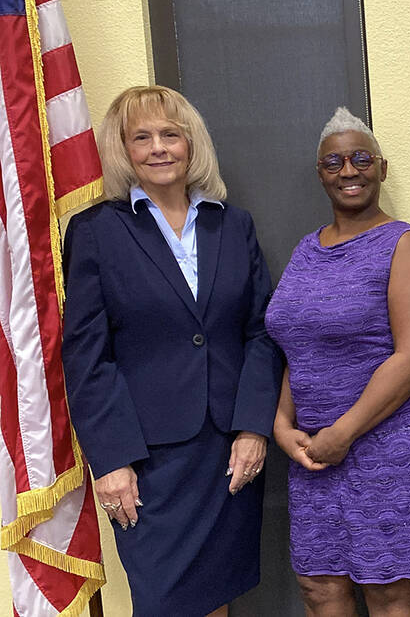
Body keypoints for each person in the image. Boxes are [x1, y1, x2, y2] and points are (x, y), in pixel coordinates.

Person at [61, 86, 280, 615]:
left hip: (229, 451)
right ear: (123, 150)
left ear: (191, 145)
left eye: (170, 134)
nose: (159, 148)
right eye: (142, 137)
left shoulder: (233, 224)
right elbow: (87, 356)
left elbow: (262, 332)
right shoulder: (96, 231)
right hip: (146, 461)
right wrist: (111, 460)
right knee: (164, 602)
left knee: (217, 596)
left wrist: (253, 427)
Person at [266, 108, 410, 615]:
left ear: (382, 167)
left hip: (386, 446)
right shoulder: (305, 251)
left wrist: (344, 432)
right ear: (320, 174)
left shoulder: (402, 245)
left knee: (385, 584)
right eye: (334, 162)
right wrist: (282, 422)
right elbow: (299, 342)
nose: (348, 171)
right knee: (319, 584)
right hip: (313, 451)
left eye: (360, 159)